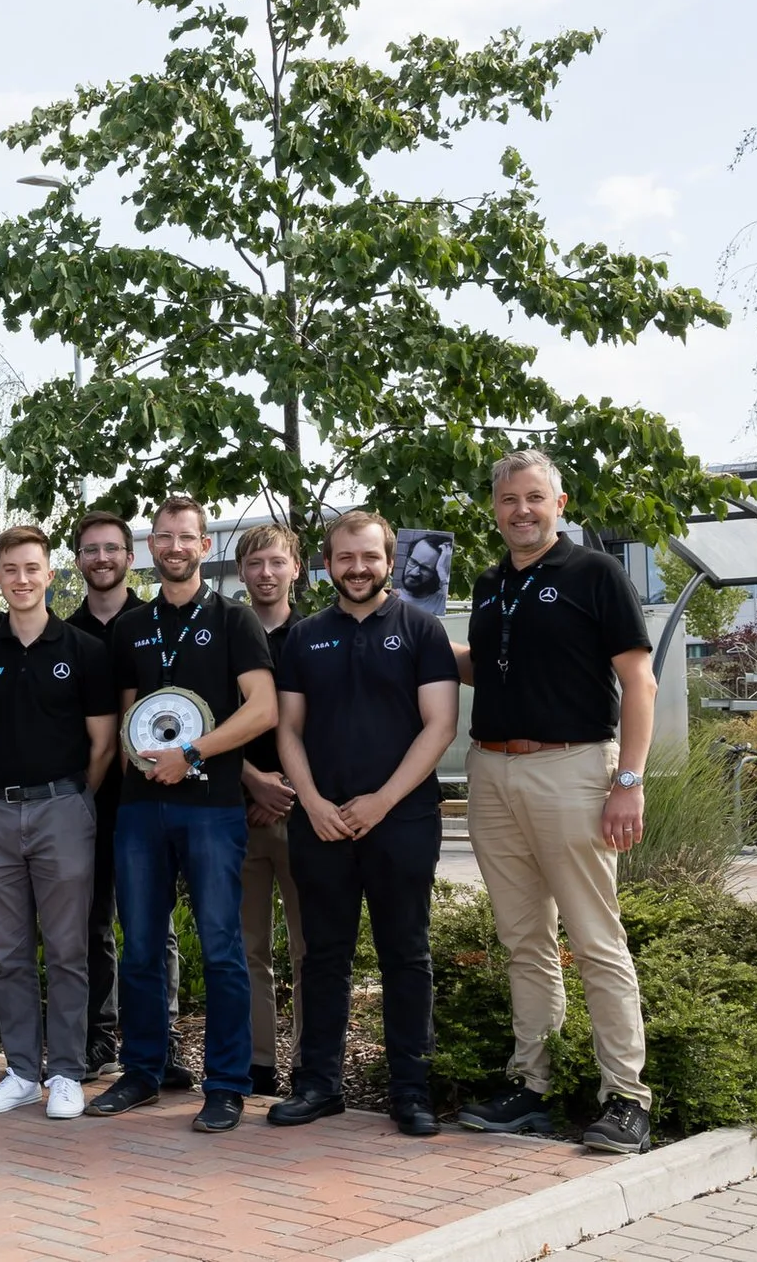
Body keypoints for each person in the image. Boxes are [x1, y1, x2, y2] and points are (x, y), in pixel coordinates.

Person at [453, 449, 657, 1155]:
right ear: (495, 507)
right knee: (523, 940)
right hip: (493, 771)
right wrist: (425, 647)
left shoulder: (596, 574)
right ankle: (530, 1085)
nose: (522, 510)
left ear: (559, 503)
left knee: (597, 939)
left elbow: (640, 682)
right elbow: (492, 664)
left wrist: (628, 780)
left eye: (534, 497)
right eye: (509, 499)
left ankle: (626, 1095)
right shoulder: (486, 584)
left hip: (573, 770)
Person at [89, 497, 276, 1133]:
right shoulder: (130, 627)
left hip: (211, 807)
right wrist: (132, 777)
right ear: (151, 547)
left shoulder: (235, 621)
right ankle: (142, 1071)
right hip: (141, 810)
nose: (174, 546)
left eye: (186, 537)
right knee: (140, 947)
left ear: (205, 547)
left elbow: (262, 710)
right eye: (163, 537)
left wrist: (192, 752)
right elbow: (123, 720)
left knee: (221, 948)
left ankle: (226, 1085)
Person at [270, 510, 459, 1137]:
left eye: (370, 557)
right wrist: (314, 802)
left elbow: (440, 725)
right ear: (328, 564)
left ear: (389, 560)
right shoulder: (304, 638)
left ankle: (411, 1091)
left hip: (401, 819)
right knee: (323, 955)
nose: (358, 568)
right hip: (320, 823)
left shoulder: (422, 629)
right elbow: (287, 729)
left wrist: (381, 800)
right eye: (346, 558)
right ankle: (319, 1085)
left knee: (405, 955)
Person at [0, 525, 115, 1121]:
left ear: (51, 575)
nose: (22, 579)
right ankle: (23, 1071)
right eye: (11, 569)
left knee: (68, 950)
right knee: (9, 954)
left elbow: (103, 744)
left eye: (33, 568)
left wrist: (75, 802)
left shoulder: (84, 650)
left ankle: (68, 1073)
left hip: (63, 809)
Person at [65, 509, 162, 1080]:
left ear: (130, 557)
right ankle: (99, 1038)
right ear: (78, 561)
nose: (101, 558)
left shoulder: (157, 624)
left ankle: (161, 1041)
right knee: (92, 926)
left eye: (111, 549)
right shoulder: (64, 634)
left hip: (154, 800)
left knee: (153, 929)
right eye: (90, 550)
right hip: (88, 803)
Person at [233, 522, 307, 1098]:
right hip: (238, 812)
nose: (266, 573)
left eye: (276, 562)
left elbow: (333, 727)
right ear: (242, 573)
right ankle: (258, 1062)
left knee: (312, 947)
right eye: (255, 563)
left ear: (296, 569)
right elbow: (200, 723)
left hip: (307, 814)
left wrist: (289, 791)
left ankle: (309, 1061)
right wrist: (253, 783)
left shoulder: (318, 635)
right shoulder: (225, 634)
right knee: (246, 946)